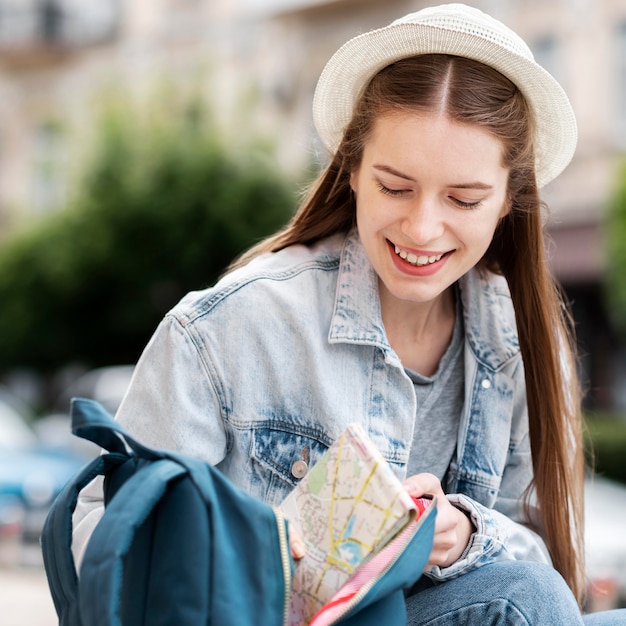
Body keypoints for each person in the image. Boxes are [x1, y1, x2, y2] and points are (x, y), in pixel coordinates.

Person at [73, 3, 626, 624]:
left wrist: (465, 535)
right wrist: (245, 548)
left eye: (464, 199)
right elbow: (104, 537)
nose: (422, 228)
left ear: (507, 201)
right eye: (395, 187)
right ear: (353, 169)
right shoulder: (229, 327)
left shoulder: (524, 342)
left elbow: (544, 562)